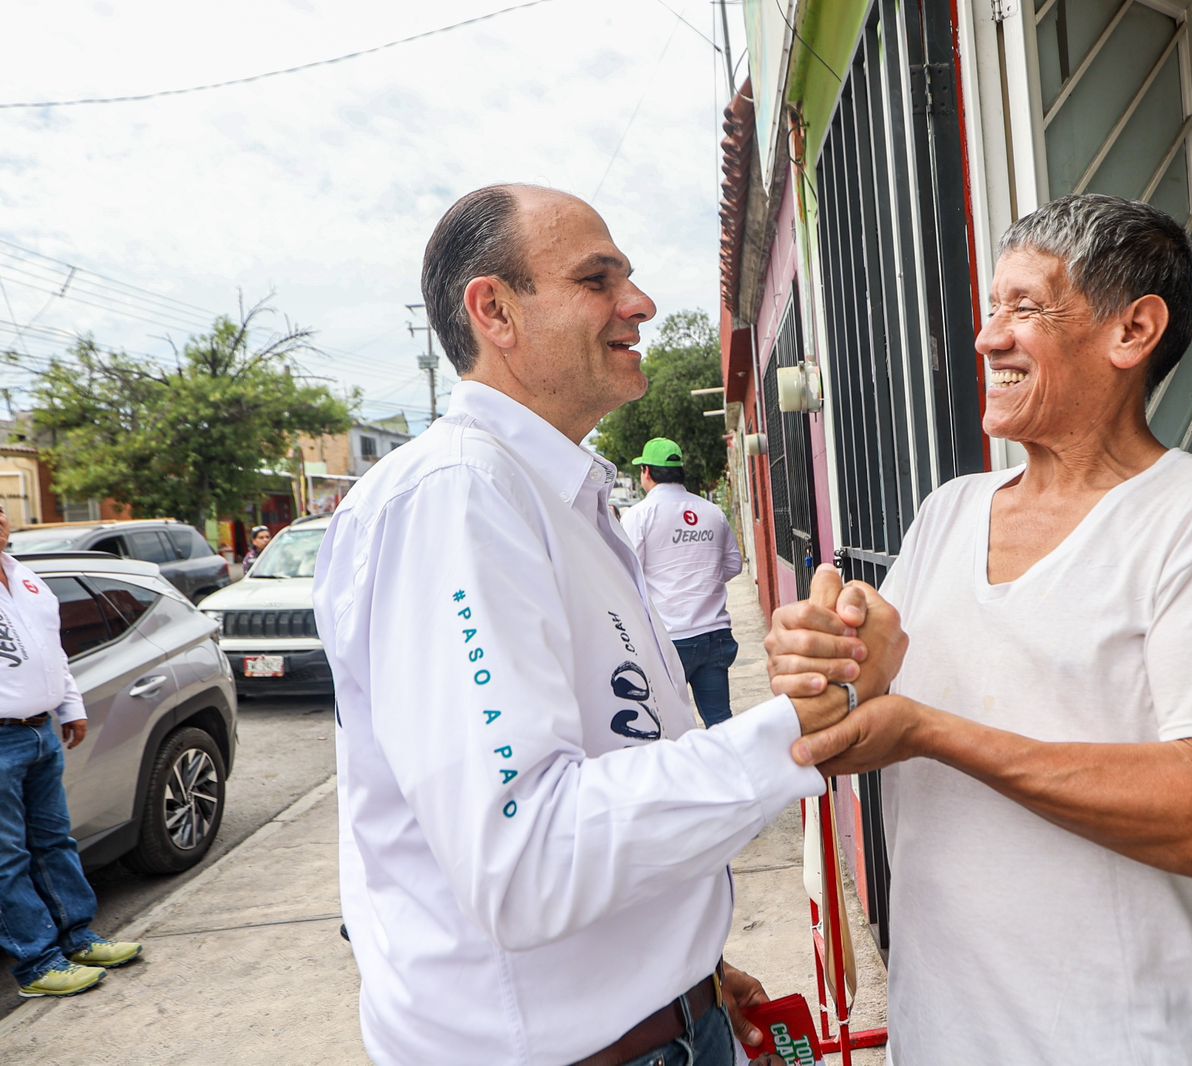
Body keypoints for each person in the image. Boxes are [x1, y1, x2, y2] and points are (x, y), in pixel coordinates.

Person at [312, 184, 902, 1066]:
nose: (641, 303)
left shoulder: (554, 496)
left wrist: (689, 971)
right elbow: (526, 856)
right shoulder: (457, 500)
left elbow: (617, 750)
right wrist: (810, 723)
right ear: (495, 311)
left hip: (663, 1025)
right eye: (598, 280)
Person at [764, 193, 1192, 1064]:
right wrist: (824, 663)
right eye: (992, 308)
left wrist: (933, 733)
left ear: (1132, 331)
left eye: (1024, 308)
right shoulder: (948, 512)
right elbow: (863, 701)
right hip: (936, 1036)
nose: (987, 338)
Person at [0, 500, 142, 999]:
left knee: (54, 842)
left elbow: (52, 651)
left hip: (40, 732)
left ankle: (77, 938)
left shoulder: (26, 579)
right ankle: (37, 965)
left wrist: (70, 706)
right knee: (7, 857)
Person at [621, 438, 744, 726]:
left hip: (671, 637)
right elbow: (733, 565)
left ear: (647, 472)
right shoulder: (711, 512)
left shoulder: (639, 515)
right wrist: (702, 580)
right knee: (721, 721)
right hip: (715, 633)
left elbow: (625, 571)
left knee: (671, 725)